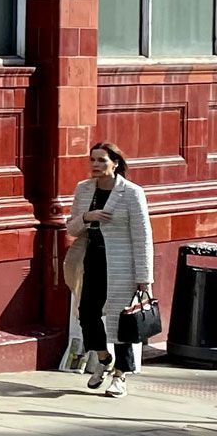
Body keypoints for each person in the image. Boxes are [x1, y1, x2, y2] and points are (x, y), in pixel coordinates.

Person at [65, 141, 154, 397]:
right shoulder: (84, 189)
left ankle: (120, 376)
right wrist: (86, 217)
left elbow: (142, 235)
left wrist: (144, 277)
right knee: (86, 313)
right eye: (92, 160)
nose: (95, 165)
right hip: (91, 260)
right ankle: (104, 359)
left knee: (121, 320)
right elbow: (71, 228)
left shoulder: (132, 192)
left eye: (102, 160)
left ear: (115, 163)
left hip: (122, 264)